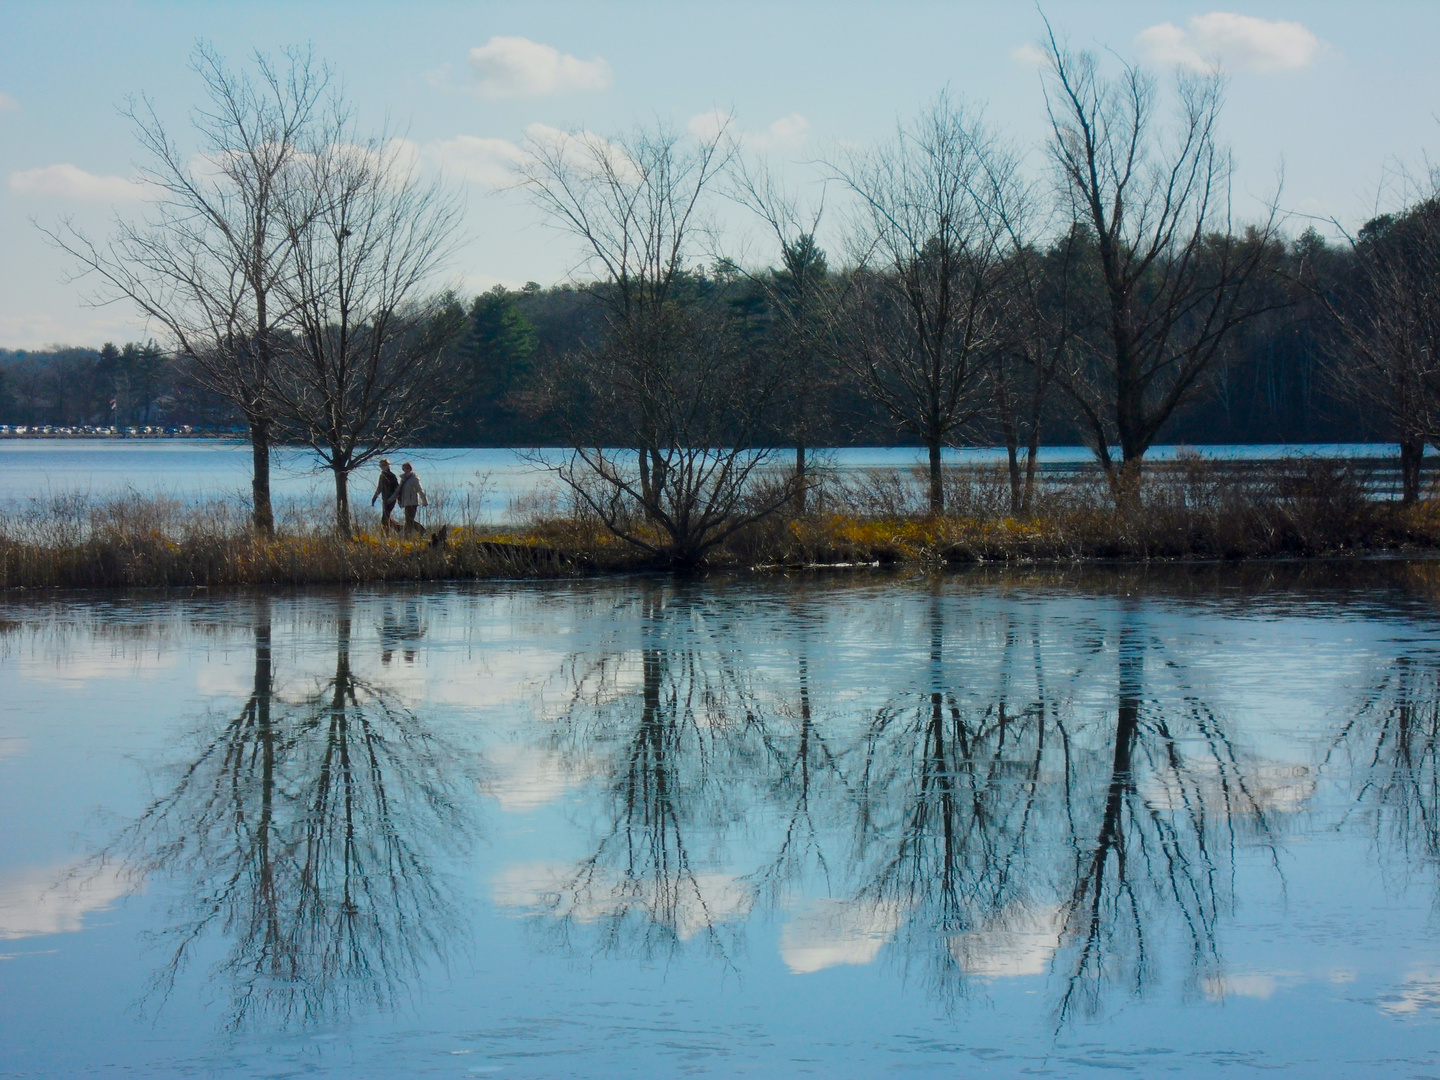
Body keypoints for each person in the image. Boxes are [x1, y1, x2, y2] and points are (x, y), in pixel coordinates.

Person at [396, 461, 428, 535]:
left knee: (409, 520)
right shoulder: (403, 479)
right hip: (406, 502)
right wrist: (392, 499)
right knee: (409, 520)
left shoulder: (414, 478)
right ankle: (409, 534)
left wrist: (424, 500)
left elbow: (420, 490)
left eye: (407, 468)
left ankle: (420, 530)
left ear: (410, 469)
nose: (406, 470)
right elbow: (398, 490)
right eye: (404, 469)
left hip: (413, 502)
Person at [371, 458, 400, 530]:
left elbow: (397, 489)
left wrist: (395, 499)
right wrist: (374, 497)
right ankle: (398, 528)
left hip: (391, 499)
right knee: (387, 516)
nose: (382, 467)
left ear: (388, 465)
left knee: (385, 518)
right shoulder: (382, 475)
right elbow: (379, 488)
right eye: (380, 466)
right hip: (385, 499)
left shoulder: (392, 476)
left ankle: (386, 534)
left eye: (383, 465)